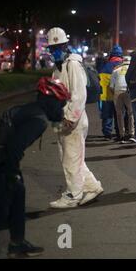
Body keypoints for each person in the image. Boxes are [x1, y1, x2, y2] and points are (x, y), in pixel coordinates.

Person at [0, 77, 70, 258]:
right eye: (61, 103)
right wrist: (12, 175)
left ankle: (17, 242)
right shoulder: (39, 120)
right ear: (52, 102)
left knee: (18, 196)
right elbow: (14, 149)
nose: (62, 108)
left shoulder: (31, 110)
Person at [47, 27, 104, 209]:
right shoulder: (59, 67)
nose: (55, 50)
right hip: (64, 118)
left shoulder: (72, 64)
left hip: (73, 120)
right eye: (52, 47)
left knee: (71, 158)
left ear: (65, 45)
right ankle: (92, 187)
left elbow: (79, 95)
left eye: (59, 46)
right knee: (73, 157)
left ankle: (73, 195)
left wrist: (70, 118)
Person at [99, 45, 123, 140]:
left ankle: (107, 133)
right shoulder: (122, 65)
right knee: (119, 113)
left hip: (106, 95)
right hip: (119, 93)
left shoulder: (105, 66)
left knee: (107, 114)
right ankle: (119, 132)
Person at [110, 56, 135, 144]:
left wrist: (116, 94)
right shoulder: (132, 69)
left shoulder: (116, 70)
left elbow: (111, 86)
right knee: (131, 113)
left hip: (117, 91)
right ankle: (131, 134)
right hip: (128, 91)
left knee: (119, 114)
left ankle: (121, 136)